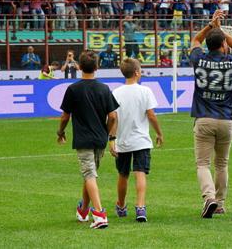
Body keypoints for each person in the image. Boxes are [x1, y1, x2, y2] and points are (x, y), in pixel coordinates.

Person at [189, 9, 232, 218]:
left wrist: (212, 26)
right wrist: (220, 29)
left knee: (203, 163)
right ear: (223, 45)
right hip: (226, 119)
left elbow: (196, 39)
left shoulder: (199, 60)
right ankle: (219, 203)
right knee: (222, 163)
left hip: (204, 118)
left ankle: (209, 197)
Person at [57, 50, 119, 229]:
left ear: (80, 67)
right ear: (97, 67)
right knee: (89, 175)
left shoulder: (73, 89)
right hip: (100, 138)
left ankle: (99, 215)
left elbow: (65, 116)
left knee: (89, 175)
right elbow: (113, 117)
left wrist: (60, 132)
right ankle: (84, 210)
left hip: (83, 139)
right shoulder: (103, 88)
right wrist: (107, 134)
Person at [111, 58, 164, 222]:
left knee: (123, 174)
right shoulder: (145, 91)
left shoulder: (116, 92)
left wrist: (111, 140)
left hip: (123, 140)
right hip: (141, 140)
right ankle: (140, 207)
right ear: (136, 72)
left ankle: (121, 205)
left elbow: (113, 118)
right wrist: (159, 133)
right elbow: (151, 115)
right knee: (140, 173)